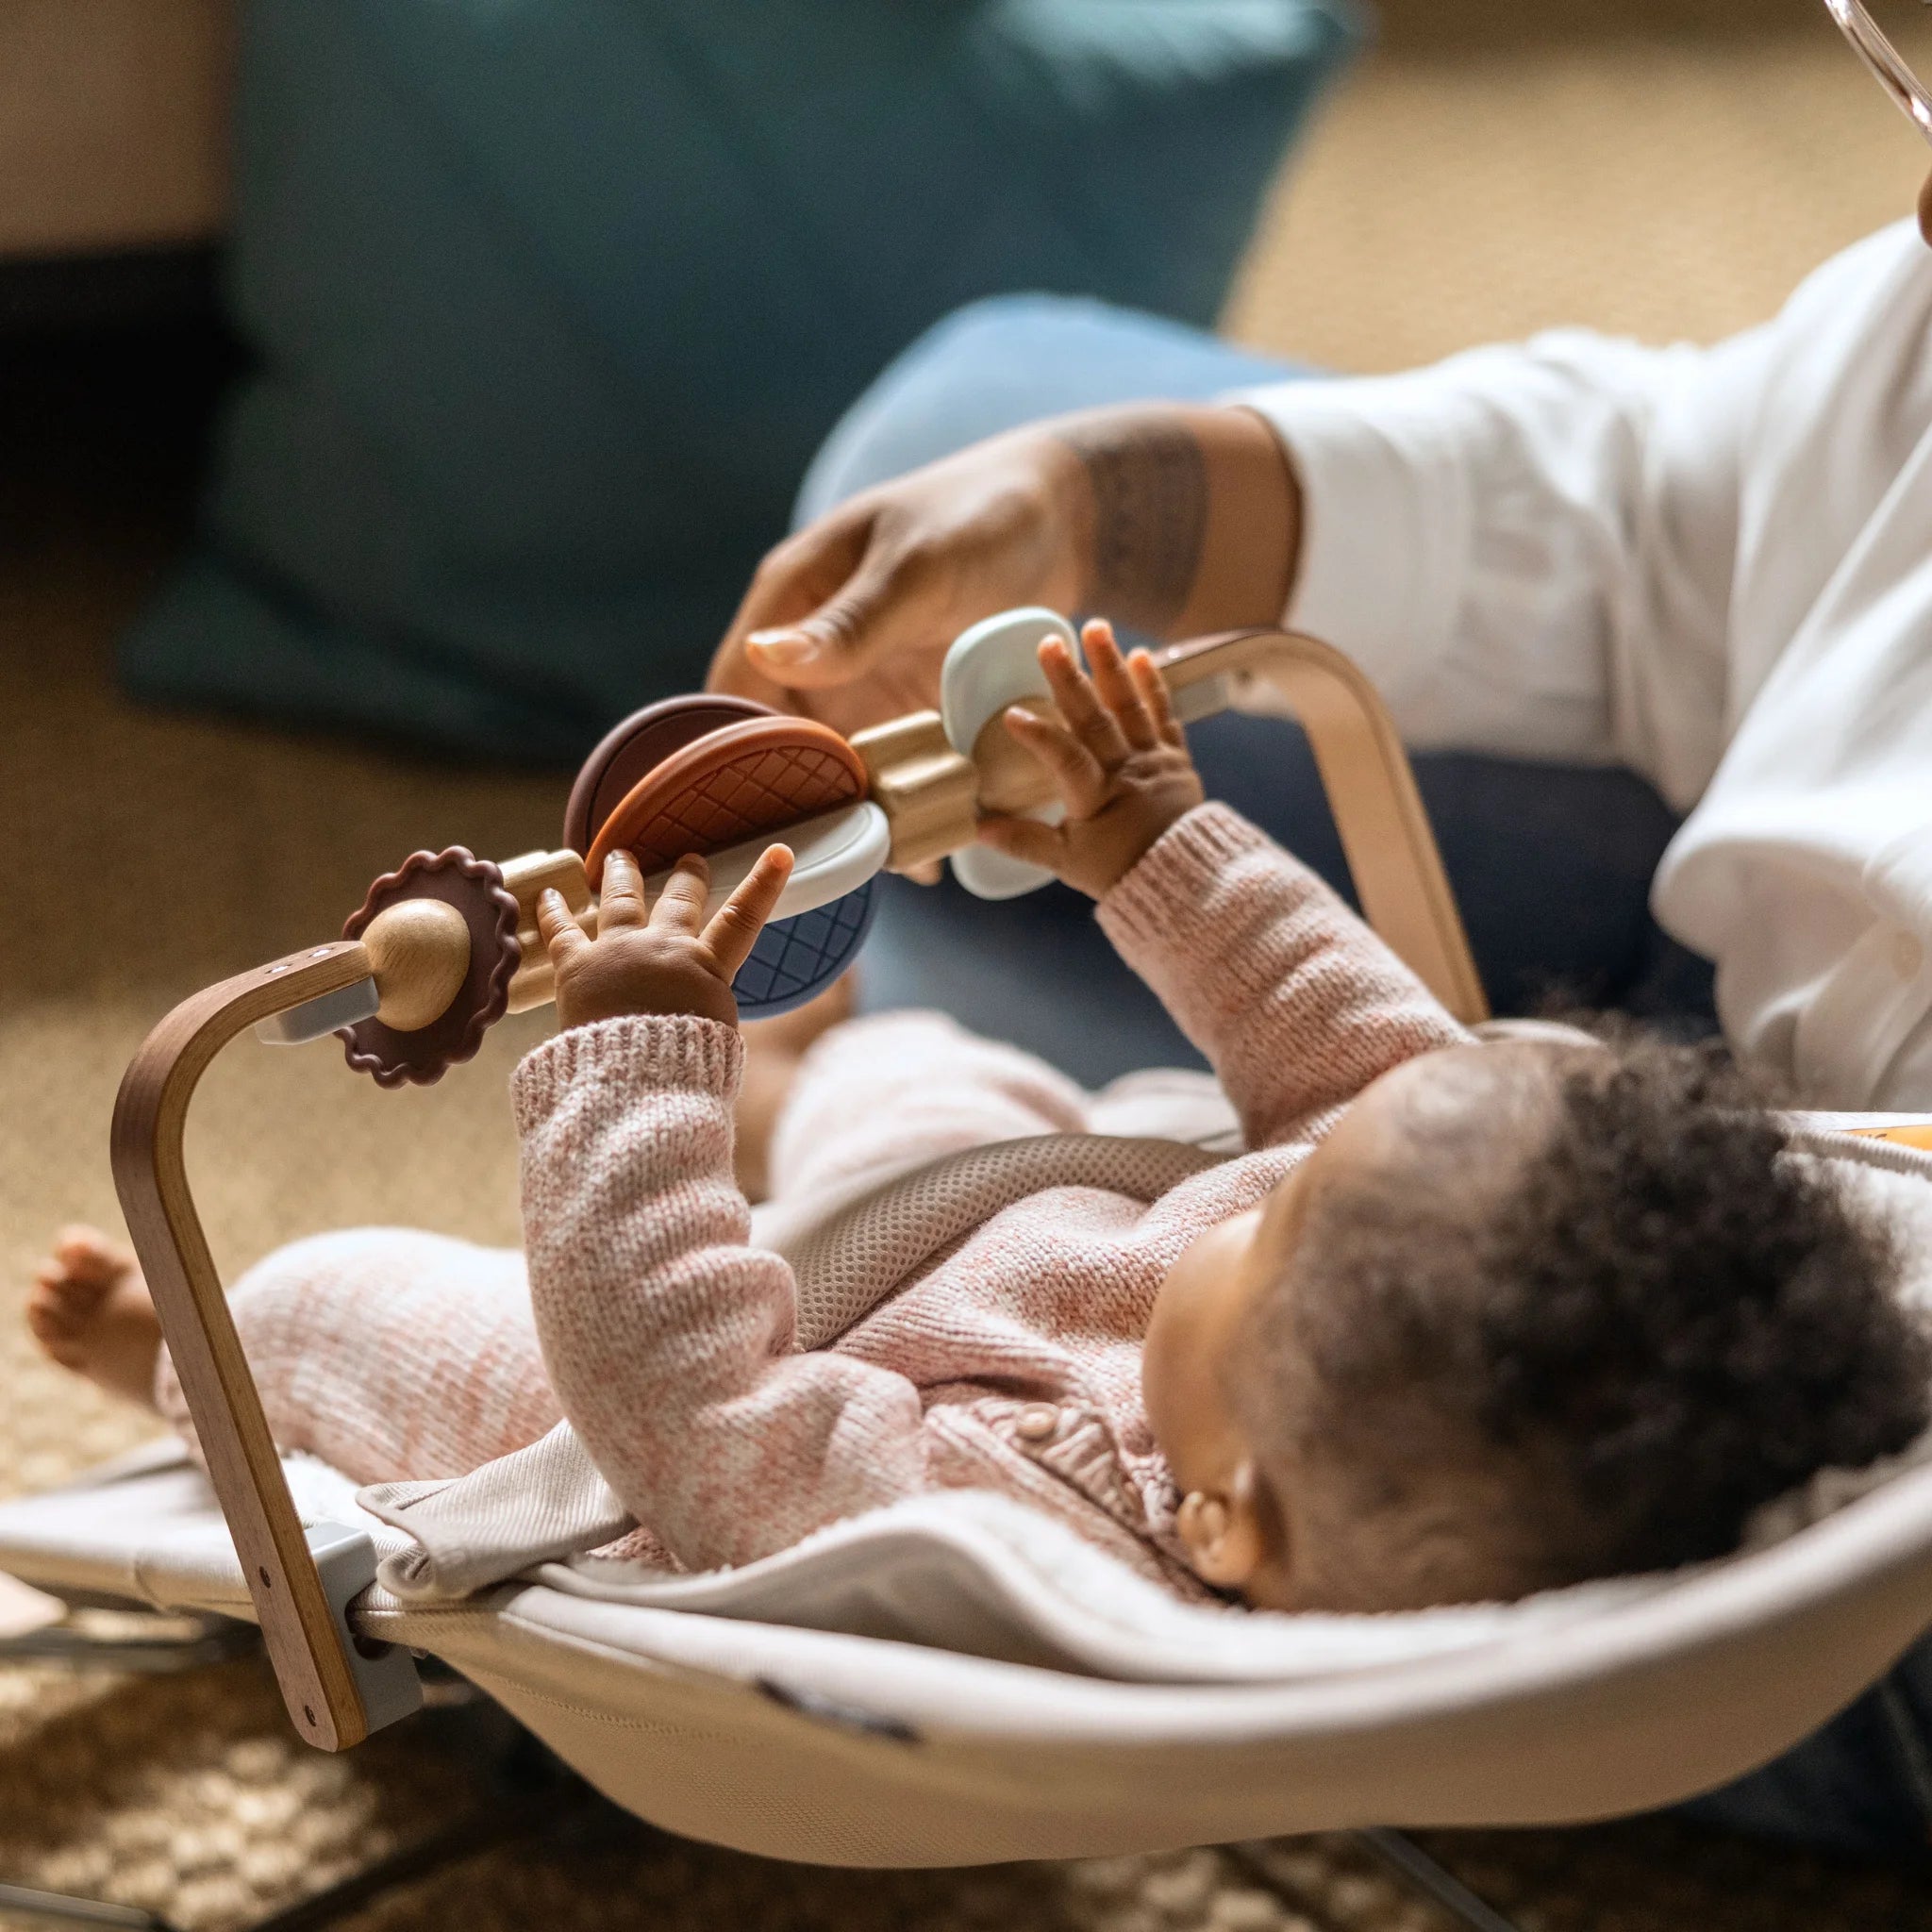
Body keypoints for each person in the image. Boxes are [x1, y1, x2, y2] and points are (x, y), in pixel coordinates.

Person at [28, 625, 1922, 1620]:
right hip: (988, 1210)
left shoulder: (1001, 1540)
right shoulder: (1341, 1356)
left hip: (691, 1382)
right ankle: (798, 1083)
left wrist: (635, 1059)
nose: (1263, 1191)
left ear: (1221, 1511)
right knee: (949, 1079)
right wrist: (1154, 838)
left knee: (357, 1304)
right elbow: (1368, 1076)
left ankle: (197, 1371)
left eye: (1268, 1229)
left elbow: (693, 1407)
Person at [707, 0, 1932, 1107]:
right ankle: (884, 1051)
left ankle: (848, 1078)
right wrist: (1081, 502)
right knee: (950, 440)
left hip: (1805, 1197)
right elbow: (1663, 506)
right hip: (1748, 856)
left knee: (1010, 1102)